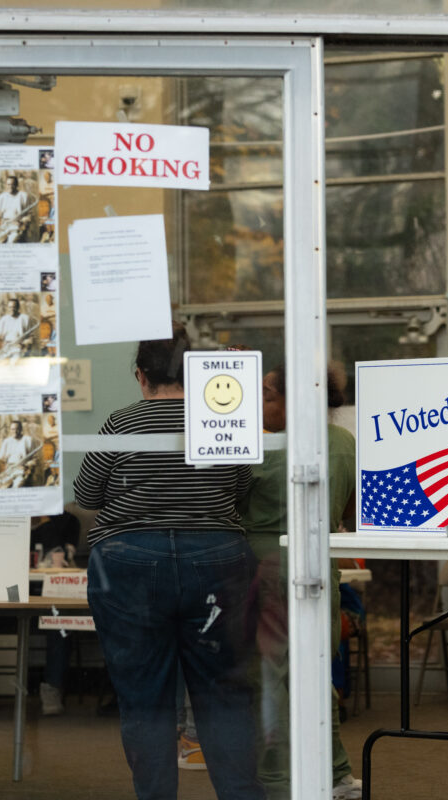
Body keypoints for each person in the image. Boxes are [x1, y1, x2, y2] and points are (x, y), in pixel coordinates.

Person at [74, 322, 265, 800]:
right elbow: (240, 491)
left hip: (128, 562)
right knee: (224, 695)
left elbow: (85, 494)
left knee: (144, 699)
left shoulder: (118, 424)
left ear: (141, 376)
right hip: (217, 558)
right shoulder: (220, 420)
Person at [238, 364, 362, 800]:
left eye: (267, 394)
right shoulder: (344, 443)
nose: (259, 401)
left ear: (294, 401)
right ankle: (335, 773)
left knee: (269, 678)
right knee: (316, 673)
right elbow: (348, 515)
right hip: (321, 567)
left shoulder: (265, 448)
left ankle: (275, 779)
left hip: (265, 569)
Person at [30, 512, 80, 715]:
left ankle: (52, 687)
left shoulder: (67, 521)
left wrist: (45, 523)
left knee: (59, 623)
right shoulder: (10, 513)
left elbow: (62, 560)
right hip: (12, 588)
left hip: (50, 589)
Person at [0, 419, 39, 488]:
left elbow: (35, 459)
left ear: (21, 429)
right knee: (2, 487)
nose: (15, 431)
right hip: (9, 470)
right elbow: (1, 459)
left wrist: (27, 466)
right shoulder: (6, 441)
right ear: (10, 430)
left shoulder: (28, 440)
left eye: (17, 429)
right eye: (13, 429)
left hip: (22, 470)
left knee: (17, 486)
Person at [0, 175, 34, 243]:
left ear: (17, 185)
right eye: (8, 184)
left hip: (16, 226)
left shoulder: (23, 196)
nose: (10, 187)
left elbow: (29, 215)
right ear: (6, 185)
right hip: (3, 226)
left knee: (11, 242)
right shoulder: (2, 197)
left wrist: (21, 222)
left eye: (13, 184)